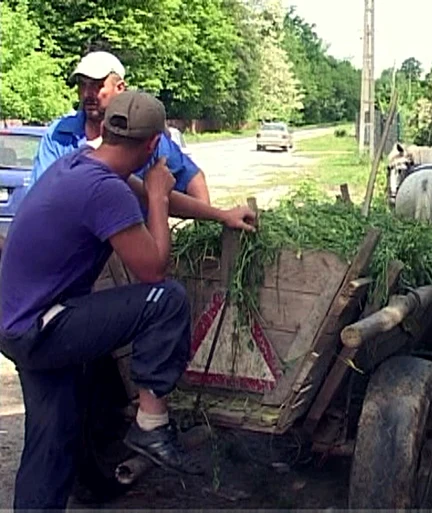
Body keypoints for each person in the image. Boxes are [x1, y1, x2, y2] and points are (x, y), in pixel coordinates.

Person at [0, 90, 256, 511]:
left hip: (18, 322)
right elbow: (153, 270)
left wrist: (221, 214)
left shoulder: (80, 163)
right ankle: (151, 423)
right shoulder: (105, 191)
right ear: (155, 145)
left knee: (53, 439)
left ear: (106, 131)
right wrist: (155, 197)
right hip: (43, 326)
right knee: (166, 299)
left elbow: (156, 196)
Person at [29, 50, 211, 204]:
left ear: (120, 88)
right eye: (82, 85)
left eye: (97, 86)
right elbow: (42, 196)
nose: (87, 94)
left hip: (136, 243)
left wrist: (204, 230)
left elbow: (193, 179)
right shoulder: (58, 134)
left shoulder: (143, 134)